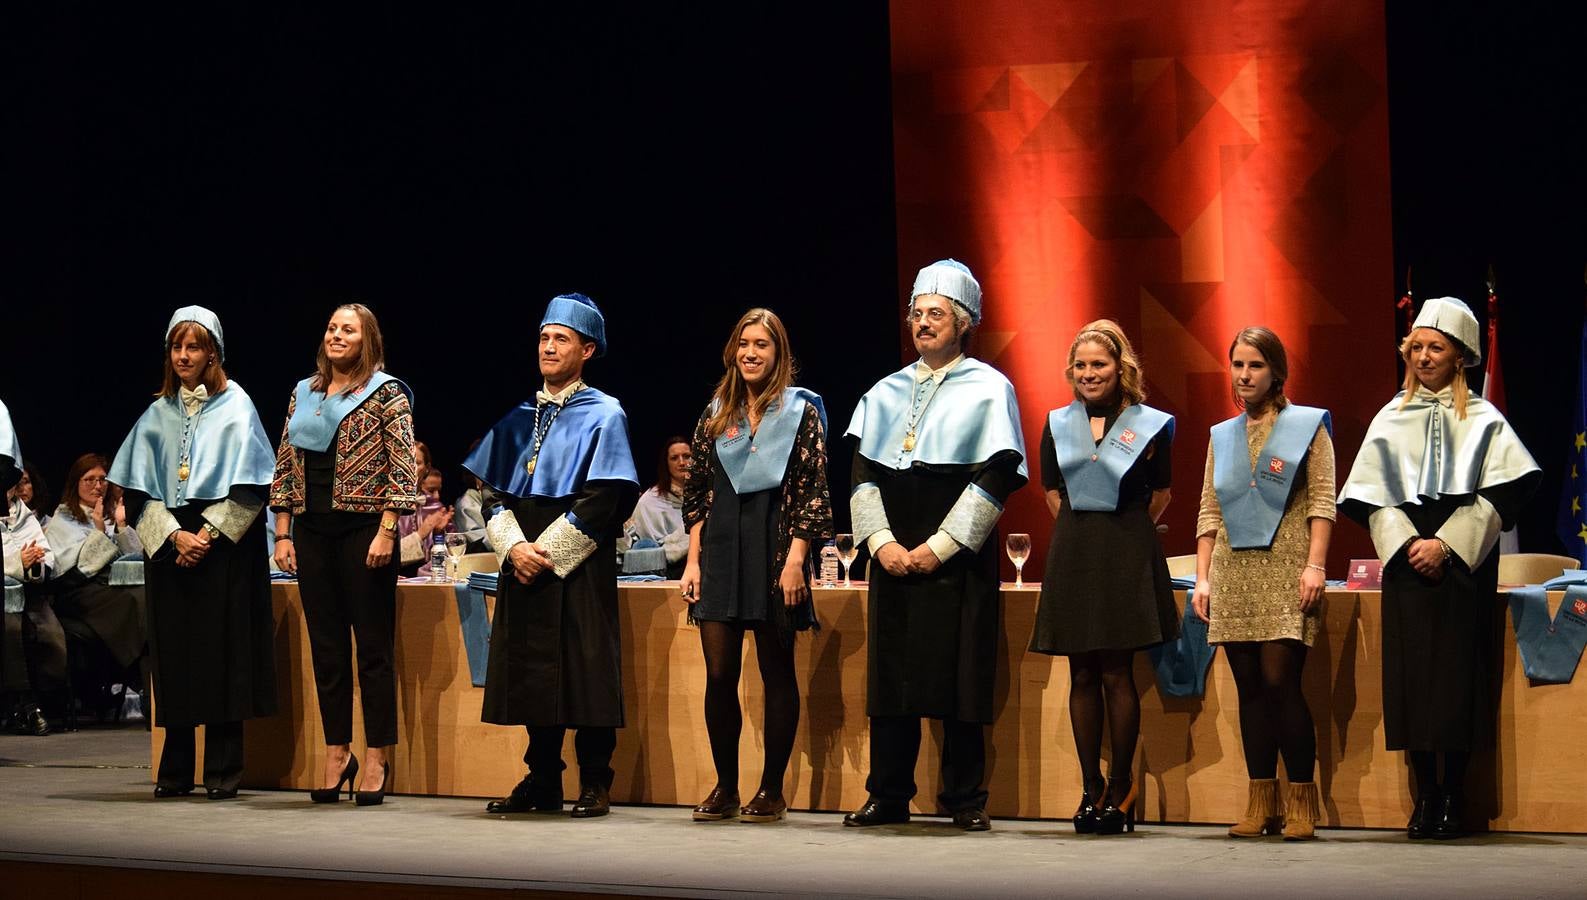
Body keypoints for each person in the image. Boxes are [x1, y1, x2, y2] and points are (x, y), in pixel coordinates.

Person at [1338, 297, 1539, 839]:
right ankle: (1423, 796)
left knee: (1456, 680)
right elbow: (1369, 498)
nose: (1424, 357)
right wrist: (1406, 544)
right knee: (1412, 681)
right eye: (1417, 348)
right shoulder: (1390, 416)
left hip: (1461, 567)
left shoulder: (1485, 419)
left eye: (1436, 348)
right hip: (1407, 567)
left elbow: (1505, 493)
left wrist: (1446, 544)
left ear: (1460, 357)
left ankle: (1453, 798)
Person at [843, 260, 1027, 832]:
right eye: (917, 314)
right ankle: (889, 792)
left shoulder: (991, 389)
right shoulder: (885, 390)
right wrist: (880, 543)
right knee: (891, 675)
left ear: (963, 322)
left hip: (954, 557)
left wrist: (940, 547)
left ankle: (964, 796)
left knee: (960, 674)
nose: (923, 324)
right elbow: (862, 473)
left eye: (936, 314)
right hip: (894, 551)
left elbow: (995, 477)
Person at [466, 293, 639, 819]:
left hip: (577, 563)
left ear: (587, 349)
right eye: (544, 336)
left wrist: (549, 553)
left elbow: (604, 498)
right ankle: (542, 779)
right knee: (531, 672)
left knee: (586, 670)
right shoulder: (521, 415)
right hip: (524, 557)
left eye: (561, 338)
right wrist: (515, 548)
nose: (548, 345)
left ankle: (594, 782)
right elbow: (491, 492)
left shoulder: (605, 413)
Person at [109, 306, 278, 799]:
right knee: (176, 657)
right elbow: (137, 495)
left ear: (213, 353)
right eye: (177, 347)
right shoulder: (156, 413)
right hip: (170, 552)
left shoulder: (238, 406)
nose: (184, 356)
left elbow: (251, 488)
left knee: (225, 654)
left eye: (194, 347)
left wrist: (204, 536)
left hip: (224, 552)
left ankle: (224, 771)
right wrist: (173, 537)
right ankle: (176, 770)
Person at [679, 309, 832, 823]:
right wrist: (693, 562)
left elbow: (814, 493)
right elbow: (696, 494)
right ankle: (725, 786)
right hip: (719, 553)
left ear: (778, 353)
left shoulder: (801, 413)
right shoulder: (716, 413)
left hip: (774, 553)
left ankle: (771, 789)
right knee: (720, 674)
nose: (751, 352)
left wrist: (796, 561)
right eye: (744, 343)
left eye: (762, 344)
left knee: (776, 671)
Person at [1029, 319, 1176, 835]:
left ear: (1121, 369)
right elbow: (1051, 491)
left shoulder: (1149, 424)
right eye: (1082, 365)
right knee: (1081, 673)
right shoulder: (1056, 422)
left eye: (1100, 365)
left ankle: (1121, 787)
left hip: (1127, 552)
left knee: (1117, 671)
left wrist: (1123, 529)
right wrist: (1083, 529)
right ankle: (1090, 788)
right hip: (1074, 553)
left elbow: (1162, 492)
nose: (1090, 374)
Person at [271, 303, 421, 806]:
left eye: (348, 330)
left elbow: (403, 468)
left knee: (373, 650)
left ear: (367, 340)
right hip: (311, 532)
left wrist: (386, 530)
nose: (337, 335)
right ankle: (338, 753)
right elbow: (287, 463)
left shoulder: (386, 394)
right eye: (333, 328)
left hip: (365, 532)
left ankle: (376, 755)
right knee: (328, 649)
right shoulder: (304, 393)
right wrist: (283, 532)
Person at [1190, 327, 1335, 840]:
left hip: (1286, 570)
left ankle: (1300, 802)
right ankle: (1261, 802)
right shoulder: (1222, 435)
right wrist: (1203, 579)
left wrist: (1315, 565)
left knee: (1280, 683)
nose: (1245, 375)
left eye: (1255, 365)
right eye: (1237, 365)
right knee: (1250, 690)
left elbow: (1322, 502)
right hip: (1233, 573)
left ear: (1276, 371)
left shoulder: (1306, 427)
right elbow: (1209, 509)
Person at [42, 453, 147, 706]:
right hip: (77, 592)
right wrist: (98, 532)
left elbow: (136, 560)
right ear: (75, 484)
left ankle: (150, 688)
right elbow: (77, 570)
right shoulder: (63, 519)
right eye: (89, 479)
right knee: (138, 600)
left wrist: (121, 526)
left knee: (146, 596)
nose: (97, 486)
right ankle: (141, 681)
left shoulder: (112, 513)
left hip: (111, 587)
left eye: (102, 479)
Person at [1, 399, 53, 736]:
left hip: (30, 595)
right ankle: (24, 702)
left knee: (52, 638)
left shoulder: (22, 514)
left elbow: (44, 551)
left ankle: (47, 702)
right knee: (10, 629)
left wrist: (36, 563)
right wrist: (18, 561)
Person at [621, 437, 692, 579]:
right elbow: (648, 550)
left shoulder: (703, 496)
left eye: (686, 456)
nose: (682, 462)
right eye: (674, 458)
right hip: (660, 572)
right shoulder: (650, 501)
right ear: (666, 464)